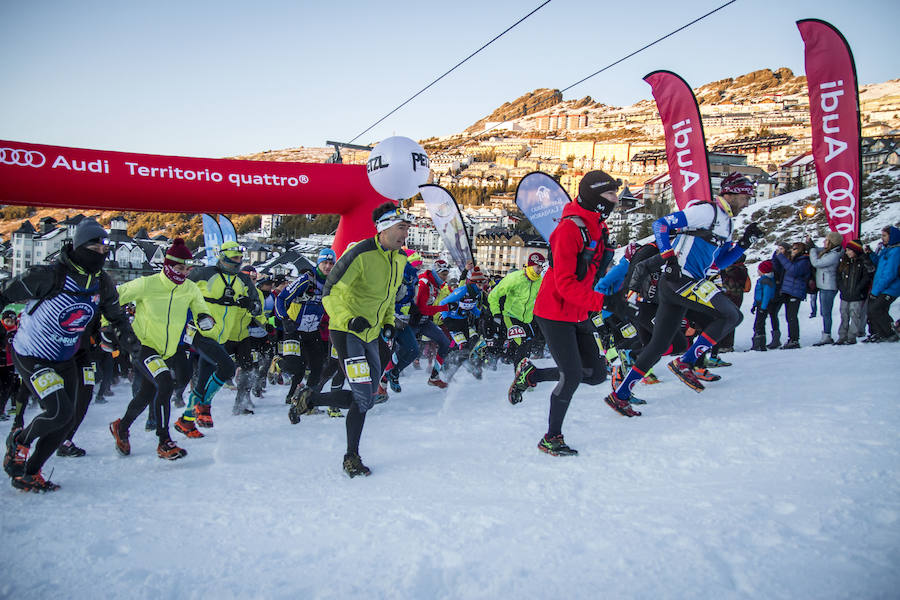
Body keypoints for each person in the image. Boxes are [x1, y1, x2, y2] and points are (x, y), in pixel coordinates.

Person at [2, 218, 140, 491]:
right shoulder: (49, 275)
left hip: (65, 357)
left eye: (104, 251)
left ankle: (29, 472)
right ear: (78, 247)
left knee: (67, 420)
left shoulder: (102, 283)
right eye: (94, 248)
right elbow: (5, 294)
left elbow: (116, 318)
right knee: (58, 411)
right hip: (32, 354)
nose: (100, 255)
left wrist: (129, 340)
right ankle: (20, 442)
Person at [608, 172, 759, 402]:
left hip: (684, 283)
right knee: (731, 316)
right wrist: (669, 257)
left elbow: (717, 263)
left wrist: (743, 245)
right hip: (680, 280)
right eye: (746, 196)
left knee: (659, 346)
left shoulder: (727, 225)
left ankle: (621, 394)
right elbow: (660, 225)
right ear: (731, 193)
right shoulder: (706, 211)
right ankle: (686, 362)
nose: (748, 202)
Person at [290, 203, 410, 477]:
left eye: (407, 228)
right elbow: (330, 293)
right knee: (361, 395)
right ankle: (351, 457)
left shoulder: (400, 259)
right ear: (384, 227)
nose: (406, 233)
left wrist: (389, 323)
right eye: (401, 227)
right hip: (346, 331)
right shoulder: (359, 253)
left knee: (366, 398)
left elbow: (388, 297)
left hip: (372, 333)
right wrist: (350, 319)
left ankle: (311, 398)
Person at [509, 170, 619, 456]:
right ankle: (551, 437)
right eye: (609, 195)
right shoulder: (570, 230)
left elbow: (593, 273)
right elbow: (566, 283)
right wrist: (602, 303)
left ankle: (531, 374)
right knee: (571, 376)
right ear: (595, 197)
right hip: (554, 311)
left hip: (579, 310)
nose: (615, 200)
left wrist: (612, 293)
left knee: (595, 374)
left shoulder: (598, 227)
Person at [109, 238, 218, 460]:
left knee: (147, 394)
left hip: (168, 350)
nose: (184, 273)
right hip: (144, 346)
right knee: (165, 384)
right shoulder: (146, 284)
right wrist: (105, 325)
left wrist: (205, 318)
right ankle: (164, 441)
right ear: (167, 265)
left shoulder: (190, 288)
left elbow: (200, 308)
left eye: (188, 269)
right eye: (180, 268)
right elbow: (112, 299)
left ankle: (121, 427)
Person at [487, 253, 545, 372]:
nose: (540, 270)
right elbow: (493, 295)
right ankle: (520, 377)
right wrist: (496, 313)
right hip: (510, 315)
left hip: (527, 319)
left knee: (527, 346)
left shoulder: (540, 281)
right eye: (537, 266)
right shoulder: (514, 278)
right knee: (522, 343)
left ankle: (522, 371)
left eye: (541, 267)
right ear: (530, 265)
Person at [864, 226, 900, 342]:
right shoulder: (888, 250)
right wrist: (871, 254)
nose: (882, 238)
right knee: (875, 309)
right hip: (882, 286)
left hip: (891, 288)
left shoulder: (896, 252)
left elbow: (890, 274)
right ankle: (882, 333)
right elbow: (879, 264)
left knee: (876, 309)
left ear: (892, 236)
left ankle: (890, 332)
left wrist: (876, 290)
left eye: (885, 235)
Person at [773, 241, 812, 349]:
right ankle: (791, 338)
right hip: (788, 290)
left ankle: (794, 339)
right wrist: (776, 256)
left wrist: (781, 257)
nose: (792, 250)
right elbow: (779, 267)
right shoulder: (792, 260)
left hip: (796, 291)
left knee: (792, 316)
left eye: (794, 249)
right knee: (788, 316)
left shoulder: (804, 261)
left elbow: (794, 270)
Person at [835, 239, 874, 344]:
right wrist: (841, 288)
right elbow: (838, 276)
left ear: (855, 250)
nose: (847, 252)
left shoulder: (863, 262)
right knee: (844, 315)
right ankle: (842, 336)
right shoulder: (844, 261)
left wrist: (859, 289)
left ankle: (852, 336)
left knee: (855, 315)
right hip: (845, 293)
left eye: (849, 250)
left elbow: (867, 277)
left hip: (857, 294)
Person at [808, 231, 842, 345]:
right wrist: (812, 245)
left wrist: (812, 250)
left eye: (827, 240)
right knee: (824, 312)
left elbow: (816, 263)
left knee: (826, 312)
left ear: (832, 242)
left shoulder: (834, 255)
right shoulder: (831, 252)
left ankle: (827, 335)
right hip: (824, 285)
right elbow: (820, 250)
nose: (824, 242)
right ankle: (826, 334)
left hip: (828, 286)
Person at [750, 260, 777, 351]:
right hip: (759, 304)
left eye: (759, 270)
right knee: (759, 324)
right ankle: (760, 343)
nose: (757, 271)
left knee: (759, 324)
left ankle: (759, 344)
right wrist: (754, 305)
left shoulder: (766, 281)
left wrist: (763, 307)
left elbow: (766, 295)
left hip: (763, 305)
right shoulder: (763, 280)